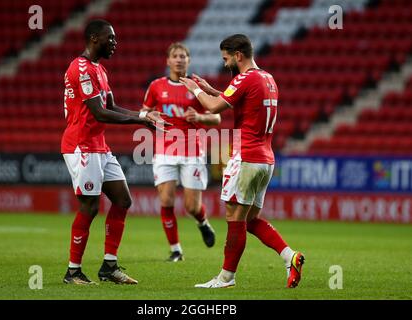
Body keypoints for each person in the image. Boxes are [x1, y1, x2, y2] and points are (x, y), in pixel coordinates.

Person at [179, 34, 305, 288]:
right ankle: (289, 257)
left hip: (246, 157)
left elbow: (214, 108)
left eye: (226, 58)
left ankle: (226, 277)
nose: (225, 64)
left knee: (234, 216)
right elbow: (241, 101)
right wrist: (211, 90)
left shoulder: (245, 78)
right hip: (266, 161)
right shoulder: (267, 78)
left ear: (238, 55)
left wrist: (194, 90)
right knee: (247, 220)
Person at [61, 19, 168, 285]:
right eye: (110, 38)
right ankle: (73, 271)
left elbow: (112, 105)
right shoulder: (81, 68)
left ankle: (109, 266)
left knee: (122, 200)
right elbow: (99, 112)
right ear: (94, 38)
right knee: (90, 205)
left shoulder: (100, 70)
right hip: (81, 145)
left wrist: (144, 115)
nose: (115, 43)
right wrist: (140, 121)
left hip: (98, 145)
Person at [141, 43, 220, 262]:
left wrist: (200, 117)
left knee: (191, 206)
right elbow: (143, 112)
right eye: (175, 56)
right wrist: (149, 116)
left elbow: (217, 117)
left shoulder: (196, 87)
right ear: (168, 61)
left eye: (183, 56)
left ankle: (203, 223)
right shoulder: (156, 86)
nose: (179, 59)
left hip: (192, 150)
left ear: (189, 60)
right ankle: (176, 250)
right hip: (164, 150)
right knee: (166, 201)